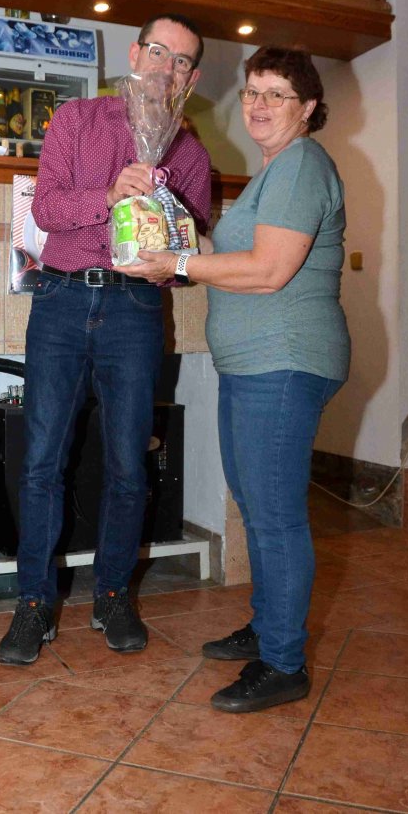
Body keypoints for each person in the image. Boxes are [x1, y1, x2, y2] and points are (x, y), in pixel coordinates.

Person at [115, 46, 351, 712]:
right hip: (255, 363)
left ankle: (283, 663)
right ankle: (269, 625)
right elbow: (225, 253)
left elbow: (269, 270)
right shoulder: (273, 172)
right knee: (256, 505)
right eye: (251, 91)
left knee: (274, 516)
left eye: (277, 93)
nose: (259, 104)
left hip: (285, 359)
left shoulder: (301, 164)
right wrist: (165, 224)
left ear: (307, 107)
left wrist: (176, 263)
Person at [0, 14, 212, 666]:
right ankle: (33, 602)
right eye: (158, 51)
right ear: (135, 54)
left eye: (181, 61)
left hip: (135, 309)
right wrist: (110, 195)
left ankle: (114, 594)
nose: (166, 67)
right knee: (41, 461)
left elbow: (188, 258)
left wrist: (167, 255)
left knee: (127, 464)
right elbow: (46, 210)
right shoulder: (77, 119)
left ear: (191, 78)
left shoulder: (190, 154)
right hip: (61, 301)